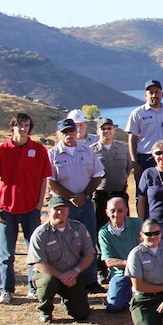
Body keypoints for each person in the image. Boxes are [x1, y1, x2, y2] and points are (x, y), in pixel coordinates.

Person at [0, 113, 52, 303]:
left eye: (26, 125)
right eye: (19, 126)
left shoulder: (39, 150)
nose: (23, 129)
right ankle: (6, 290)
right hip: (6, 210)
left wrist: (39, 204)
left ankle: (32, 287)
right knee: (7, 254)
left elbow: (44, 178)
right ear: (13, 128)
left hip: (30, 210)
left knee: (33, 252)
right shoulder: (1, 150)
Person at [48, 118, 106, 293]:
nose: (69, 134)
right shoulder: (52, 154)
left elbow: (98, 175)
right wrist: (71, 197)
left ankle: (90, 279)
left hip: (86, 203)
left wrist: (84, 195)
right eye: (64, 132)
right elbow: (50, 181)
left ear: (76, 131)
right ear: (59, 134)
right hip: (62, 204)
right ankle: (70, 280)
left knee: (88, 240)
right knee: (66, 242)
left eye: (71, 130)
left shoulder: (87, 152)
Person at [27, 197, 94, 323]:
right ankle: (45, 310)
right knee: (48, 283)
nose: (60, 213)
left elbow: (89, 254)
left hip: (73, 275)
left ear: (68, 211)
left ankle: (68, 301)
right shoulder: (40, 233)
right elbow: (39, 263)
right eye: (56, 210)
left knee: (82, 315)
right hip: (49, 275)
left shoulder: (79, 229)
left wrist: (75, 271)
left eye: (63, 209)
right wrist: (62, 276)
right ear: (49, 212)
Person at [125, 80, 163, 185]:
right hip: (144, 159)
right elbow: (131, 139)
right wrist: (135, 163)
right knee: (143, 191)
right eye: (150, 93)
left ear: (162, 94)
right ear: (145, 95)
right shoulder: (137, 114)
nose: (154, 95)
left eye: (157, 92)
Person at [90, 118, 133, 246]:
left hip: (119, 194)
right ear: (97, 131)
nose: (106, 131)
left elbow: (128, 169)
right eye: (103, 129)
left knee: (123, 227)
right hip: (100, 196)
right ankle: (103, 261)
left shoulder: (122, 149)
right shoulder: (91, 151)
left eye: (109, 128)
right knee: (101, 228)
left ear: (114, 130)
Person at [99, 198, 142, 313]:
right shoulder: (104, 232)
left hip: (142, 272)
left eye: (120, 210)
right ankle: (127, 293)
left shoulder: (137, 224)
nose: (116, 214)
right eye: (112, 211)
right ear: (107, 212)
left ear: (126, 211)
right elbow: (108, 261)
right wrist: (131, 263)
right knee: (114, 307)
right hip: (120, 273)